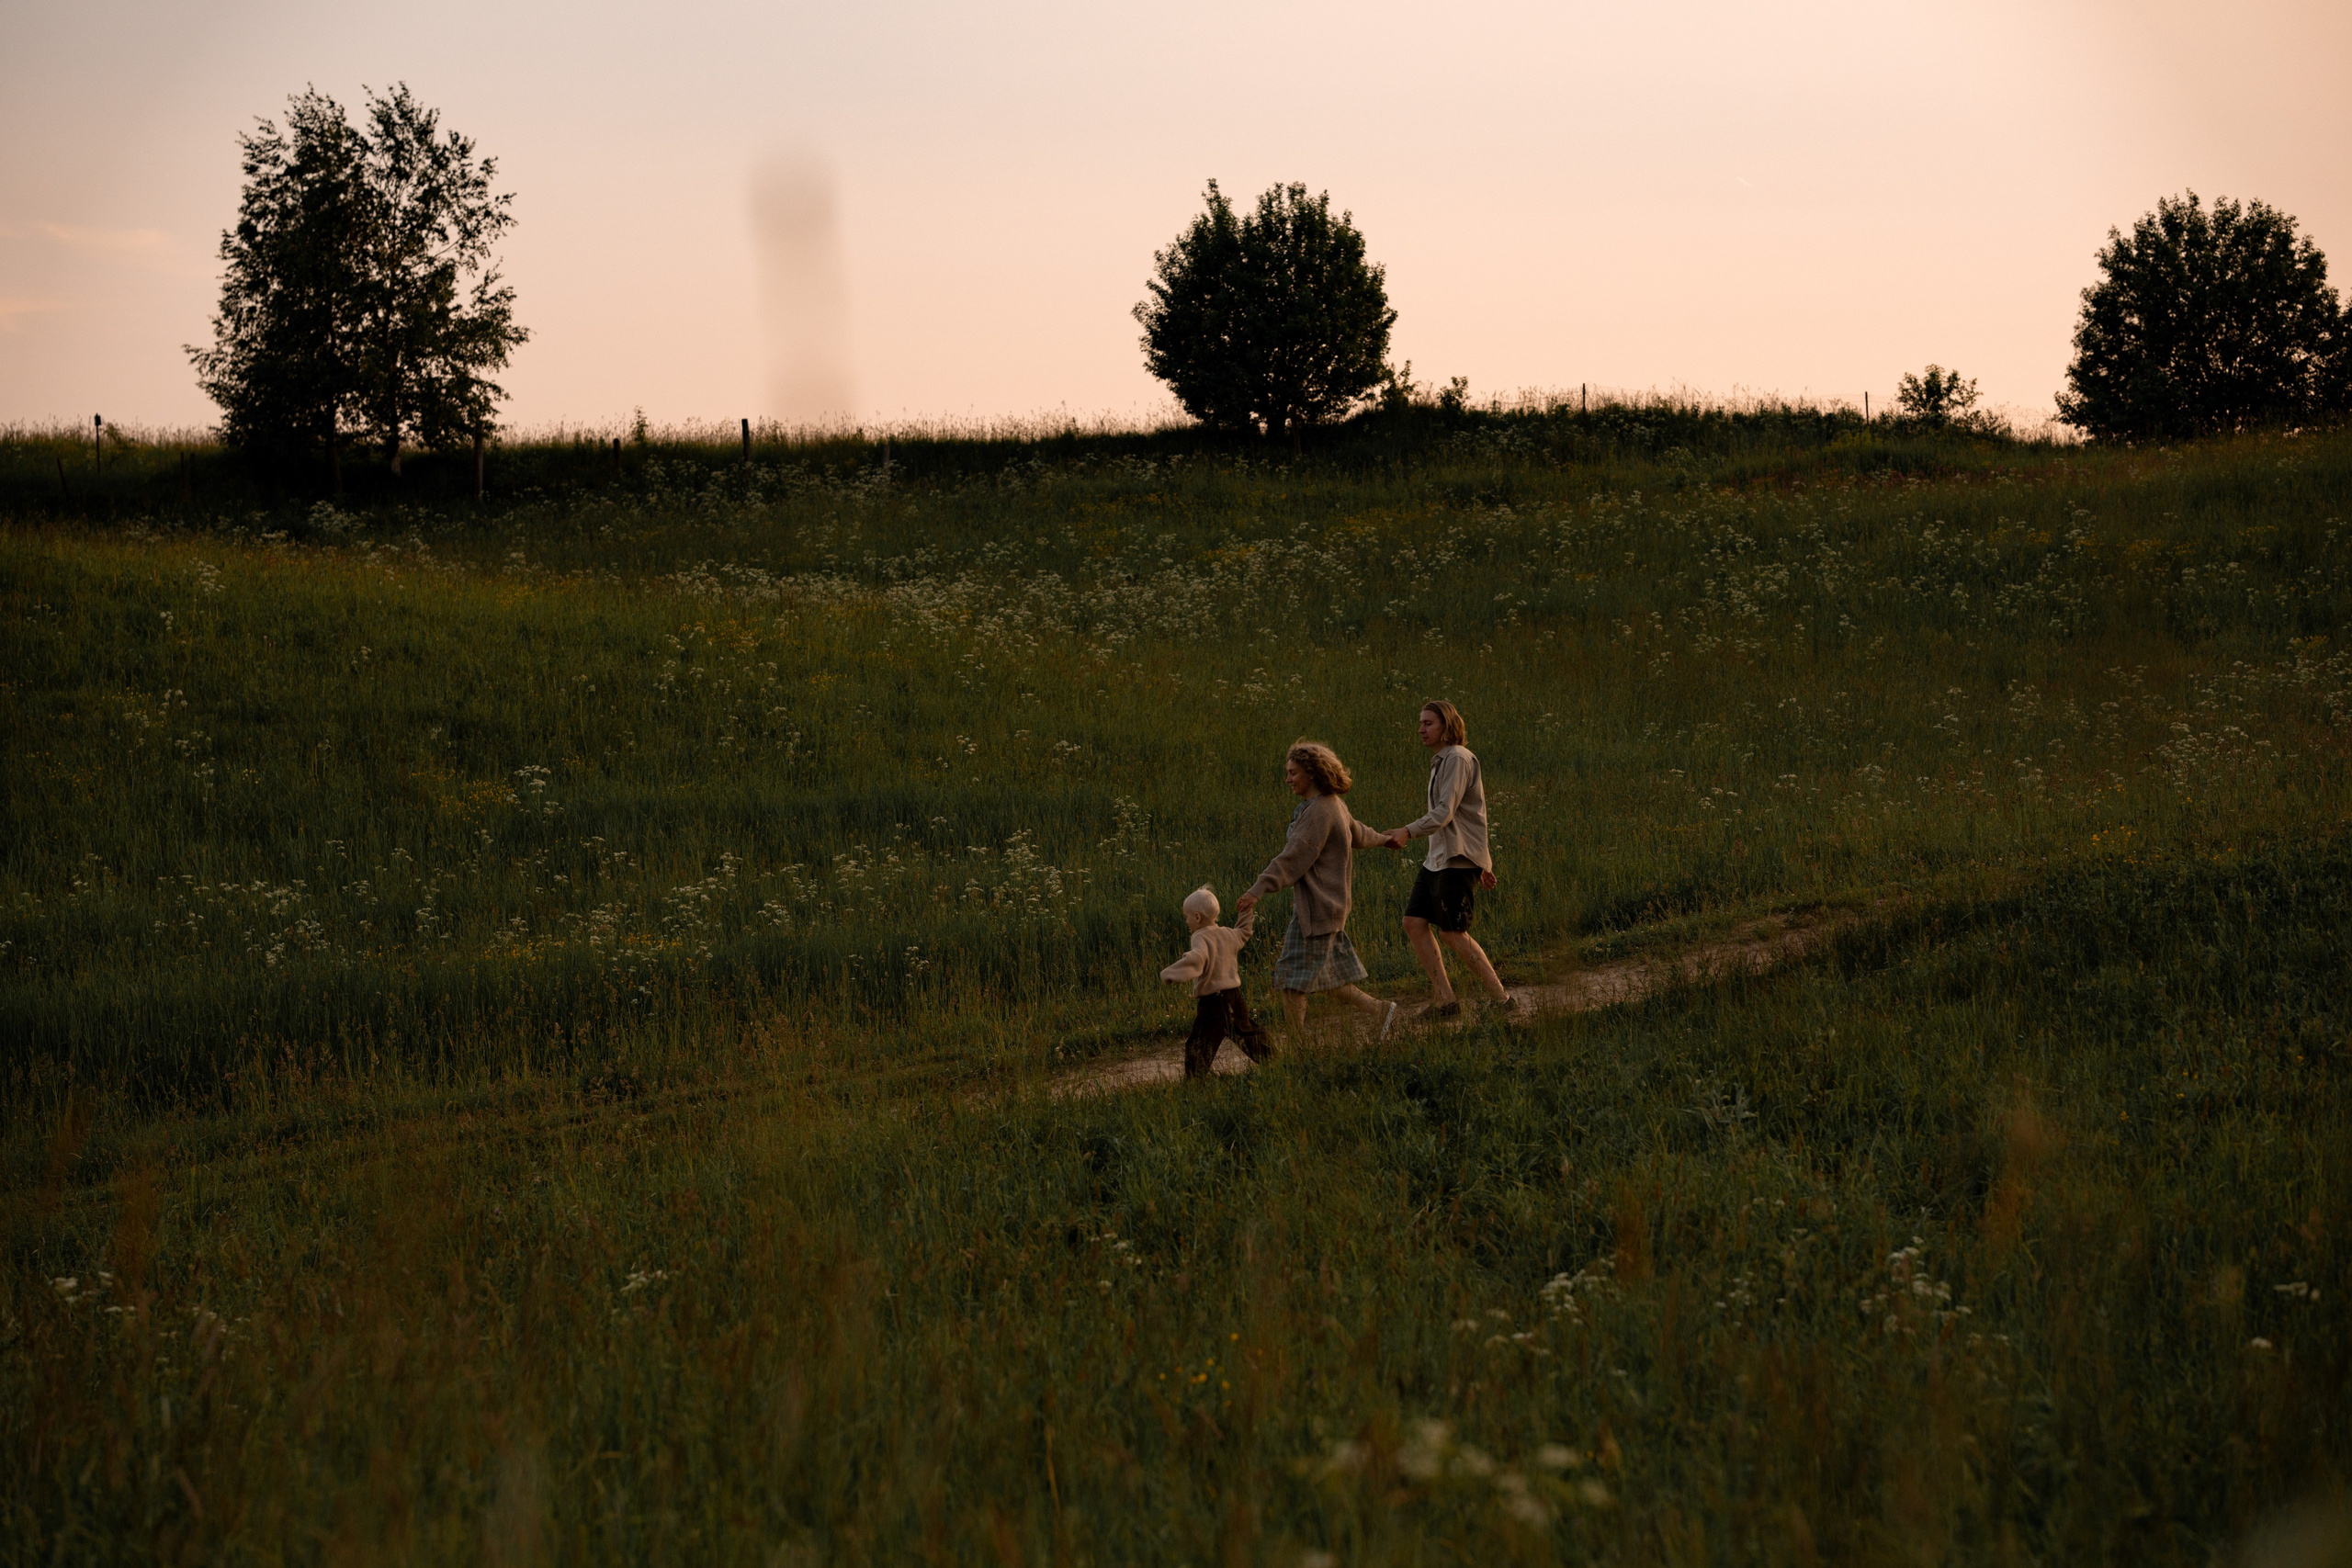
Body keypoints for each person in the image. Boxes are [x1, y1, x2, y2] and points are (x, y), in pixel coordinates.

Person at [1236, 740, 1400, 1044]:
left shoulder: (1319, 812)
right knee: (1328, 979)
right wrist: (1383, 839)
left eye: (1293, 772)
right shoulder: (1332, 803)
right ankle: (1383, 1011)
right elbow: (1359, 833)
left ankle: (1298, 1050)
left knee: (1291, 981)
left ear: (1311, 773)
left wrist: (1257, 889)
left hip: (1320, 907)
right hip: (1327, 907)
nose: (1288, 779)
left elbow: (1294, 856)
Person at [1381, 699, 1517, 1017]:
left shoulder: (1457, 758)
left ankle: (1503, 1001)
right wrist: (1484, 862)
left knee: (1452, 932)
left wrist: (1407, 831)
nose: (1421, 729)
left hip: (1456, 859)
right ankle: (1446, 1001)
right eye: (1420, 724)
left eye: (1428, 723)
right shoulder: (1441, 761)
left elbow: (1444, 813)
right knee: (1413, 923)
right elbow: (1468, 817)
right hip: (1438, 858)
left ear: (1447, 725)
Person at [1159, 885, 1272, 1078]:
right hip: (1234, 996)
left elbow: (1197, 959)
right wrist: (1247, 911)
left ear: (1197, 917)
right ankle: (1275, 1061)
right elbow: (1244, 931)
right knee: (1247, 1032)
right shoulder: (1228, 933)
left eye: (1187, 916)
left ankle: (1195, 1080)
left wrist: (1171, 973)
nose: (1186, 920)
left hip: (1213, 1001)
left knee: (1200, 1041)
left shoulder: (1199, 937)